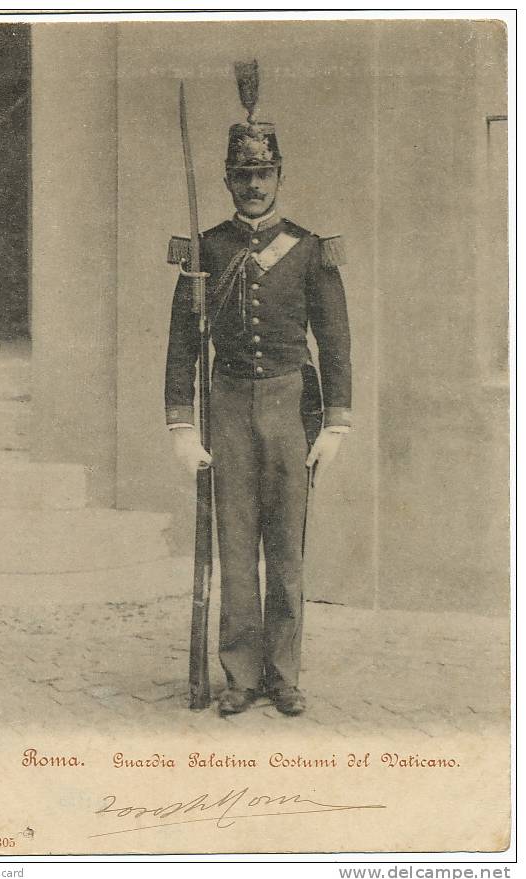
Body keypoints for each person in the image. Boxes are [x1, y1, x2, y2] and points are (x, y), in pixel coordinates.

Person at [165, 62, 351, 717]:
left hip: (289, 407)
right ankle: (241, 675)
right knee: (236, 547)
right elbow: (182, 342)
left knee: (287, 550)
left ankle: (285, 673)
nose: (252, 186)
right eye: (241, 176)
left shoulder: (306, 250)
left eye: (263, 174)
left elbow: (335, 338)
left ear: (279, 176)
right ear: (227, 181)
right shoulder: (208, 248)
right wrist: (183, 426)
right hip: (226, 405)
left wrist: (335, 424)